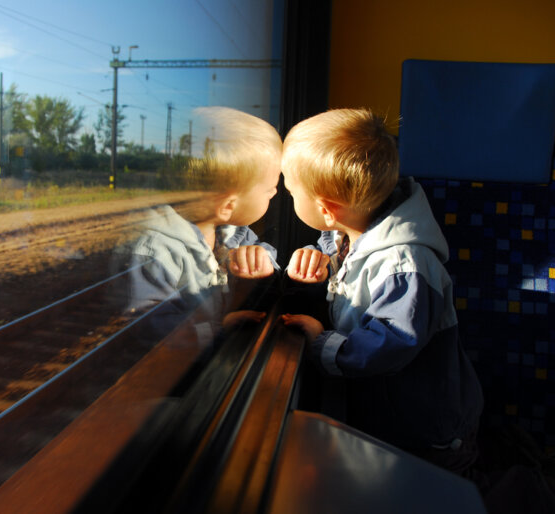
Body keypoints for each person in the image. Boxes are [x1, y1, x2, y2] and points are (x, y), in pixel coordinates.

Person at [280, 108, 484, 477]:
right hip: (385, 414)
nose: (288, 197)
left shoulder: (405, 265)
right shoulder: (348, 236)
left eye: (292, 192)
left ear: (327, 209)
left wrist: (320, 341)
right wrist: (317, 271)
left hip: (421, 433)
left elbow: (392, 342)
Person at [122, 106, 282, 343]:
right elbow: (152, 328)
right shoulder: (156, 252)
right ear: (228, 206)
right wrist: (217, 329)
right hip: (178, 371)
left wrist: (264, 265)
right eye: (269, 191)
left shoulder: (232, 233)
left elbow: (268, 266)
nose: (275, 192)